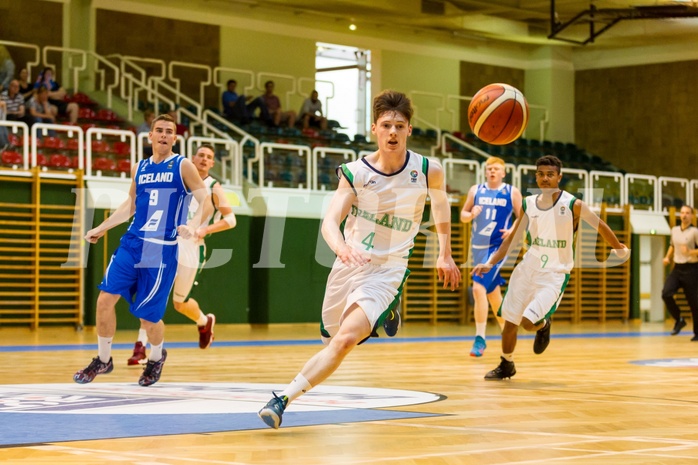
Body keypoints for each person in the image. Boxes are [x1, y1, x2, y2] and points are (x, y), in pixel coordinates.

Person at [257, 90, 461, 429]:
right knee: (330, 337)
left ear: (409, 129)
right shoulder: (354, 172)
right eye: (386, 125)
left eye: (399, 125)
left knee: (346, 340)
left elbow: (440, 208)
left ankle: (282, 399)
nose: (392, 132)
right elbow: (329, 222)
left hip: (389, 269)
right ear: (374, 129)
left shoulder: (428, 171)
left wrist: (444, 253)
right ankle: (386, 314)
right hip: (351, 264)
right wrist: (341, 248)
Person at [74, 113, 213, 387]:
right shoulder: (140, 167)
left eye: (168, 131)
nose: (163, 135)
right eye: (159, 130)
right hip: (133, 243)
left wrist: (195, 225)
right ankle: (103, 360)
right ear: (150, 136)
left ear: (175, 137)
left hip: (161, 250)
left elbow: (207, 202)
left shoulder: (183, 165)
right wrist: (102, 227)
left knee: (148, 318)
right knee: (104, 300)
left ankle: (156, 357)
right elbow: (130, 205)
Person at [472, 154, 628, 380]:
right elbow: (512, 239)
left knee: (528, 322)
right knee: (510, 321)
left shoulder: (572, 204)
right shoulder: (528, 203)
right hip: (527, 269)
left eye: (550, 175)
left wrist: (618, 247)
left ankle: (543, 325)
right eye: (541, 174)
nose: (545, 179)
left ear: (559, 177)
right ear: (536, 177)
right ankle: (506, 364)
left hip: (555, 273)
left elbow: (600, 225)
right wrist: (490, 262)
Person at [127, 143, 237, 365]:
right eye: (201, 155)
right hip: (164, 242)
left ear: (212, 163)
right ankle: (140, 347)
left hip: (192, 247)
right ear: (193, 159)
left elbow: (231, 220)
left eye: (209, 157)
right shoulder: (177, 178)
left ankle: (204, 321)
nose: (204, 159)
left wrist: (204, 229)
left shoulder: (214, 187)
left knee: (179, 304)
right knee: (151, 292)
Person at [460, 156, 521, 357]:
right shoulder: (475, 190)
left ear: (503, 173)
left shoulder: (511, 192)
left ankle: (480, 339)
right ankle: (508, 332)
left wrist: (512, 229)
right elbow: (463, 216)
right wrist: (471, 214)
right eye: (489, 169)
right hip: (478, 247)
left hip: (498, 248)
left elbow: (523, 217)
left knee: (478, 289)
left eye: (496, 169)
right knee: (493, 295)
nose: (492, 171)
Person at [662, 205, 698, 339]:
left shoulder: (695, 232)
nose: (684, 215)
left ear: (692, 216)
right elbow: (672, 245)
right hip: (677, 268)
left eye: (687, 213)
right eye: (682, 212)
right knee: (666, 293)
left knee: (694, 303)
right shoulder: (674, 230)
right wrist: (667, 257)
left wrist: (690, 252)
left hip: (692, 269)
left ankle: (697, 333)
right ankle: (679, 319)